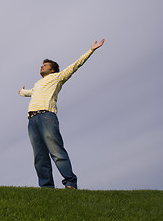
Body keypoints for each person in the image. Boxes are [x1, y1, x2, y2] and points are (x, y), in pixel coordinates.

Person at [18, 39, 105, 189]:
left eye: (45, 65)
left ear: (52, 70)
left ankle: (70, 182)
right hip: (32, 120)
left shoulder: (57, 77)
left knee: (56, 151)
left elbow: (75, 66)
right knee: (39, 157)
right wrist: (21, 92)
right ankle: (46, 187)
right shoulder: (38, 84)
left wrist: (91, 50)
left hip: (47, 116)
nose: (41, 66)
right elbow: (30, 93)